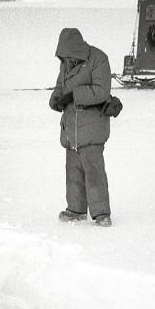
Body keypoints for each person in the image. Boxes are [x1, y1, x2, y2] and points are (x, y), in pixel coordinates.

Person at [49, 27, 113, 227]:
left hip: (91, 126)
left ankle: (101, 214)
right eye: (63, 56)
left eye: (68, 55)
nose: (66, 60)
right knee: (73, 171)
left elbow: (102, 91)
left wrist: (74, 95)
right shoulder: (66, 63)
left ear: (75, 48)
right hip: (71, 127)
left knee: (94, 172)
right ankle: (76, 209)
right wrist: (56, 99)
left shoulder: (99, 59)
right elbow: (60, 85)